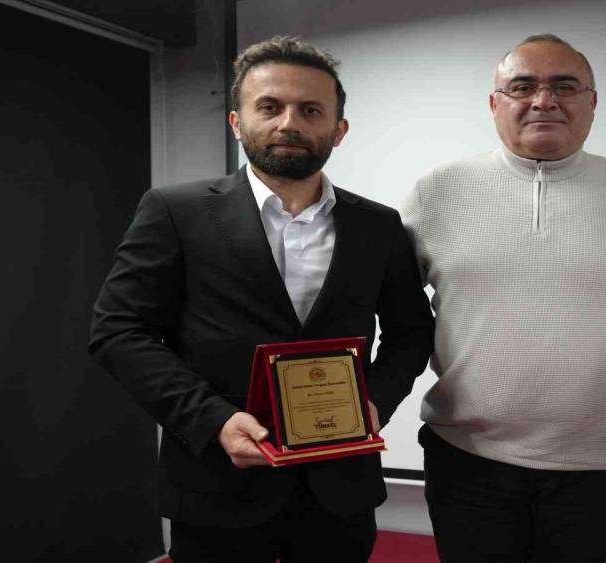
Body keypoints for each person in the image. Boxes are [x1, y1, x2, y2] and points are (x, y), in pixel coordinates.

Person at [89, 36, 434, 562]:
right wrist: (212, 420)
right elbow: (117, 330)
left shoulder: (378, 226)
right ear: (237, 122)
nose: (289, 123)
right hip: (216, 485)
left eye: (310, 110)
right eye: (269, 107)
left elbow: (411, 331)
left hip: (339, 491)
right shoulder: (175, 212)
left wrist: (374, 404)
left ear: (338, 130)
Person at [400, 34, 606, 562]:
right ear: (495, 103)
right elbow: (386, 304)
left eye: (564, 86)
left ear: (593, 102)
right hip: (469, 461)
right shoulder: (438, 189)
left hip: (605, 471)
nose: (543, 101)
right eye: (522, 87)